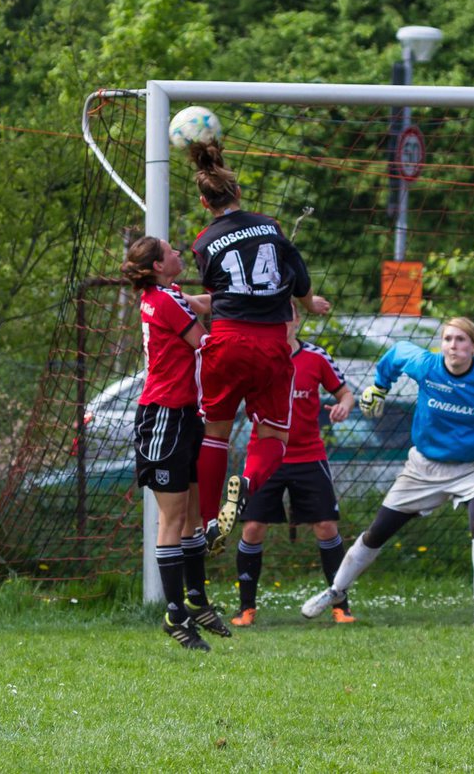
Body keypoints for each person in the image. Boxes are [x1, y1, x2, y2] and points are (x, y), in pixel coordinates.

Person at [300, 316, 474, 626]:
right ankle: (335, 590)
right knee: (377, 532)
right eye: (449, 339)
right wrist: (379, 387)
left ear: (473, 347)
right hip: (424, 467)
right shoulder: (426, 365)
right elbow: (397, 352)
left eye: (461, 340)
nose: (453, 345)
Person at [187, 139, 331, 557]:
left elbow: (220, 290)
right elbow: (297, 275)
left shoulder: (202, 242)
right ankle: (246, 484)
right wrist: (307, 302)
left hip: (226, 339)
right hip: (271, 343)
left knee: (215, 432)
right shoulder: (270, 225)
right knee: (272, 435)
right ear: (239, 192)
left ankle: (210, 519)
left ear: (203, 201)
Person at [121, 236, 233, 651]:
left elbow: (199, 302)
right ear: (156, 265)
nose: (178, 254)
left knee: (189, 517)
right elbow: (206, 342)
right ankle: (173, 612)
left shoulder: (165, 294)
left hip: (185, 415)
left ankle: (197, 598)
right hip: (163, 417)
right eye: (170, 252)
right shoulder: (165, 302)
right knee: (171, 520)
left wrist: (238, 295)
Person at [231, 307, 356, 627]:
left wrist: (343, 406)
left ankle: (341, 604)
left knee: (326, 527)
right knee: (252, 528)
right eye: (274, 317)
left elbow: (345, 394)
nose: (281, 324)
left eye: (286, 318)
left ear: (296, 321)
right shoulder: (254, 356)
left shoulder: (316, 357)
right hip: (265, 455)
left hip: (308, 456)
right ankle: (246, 608)